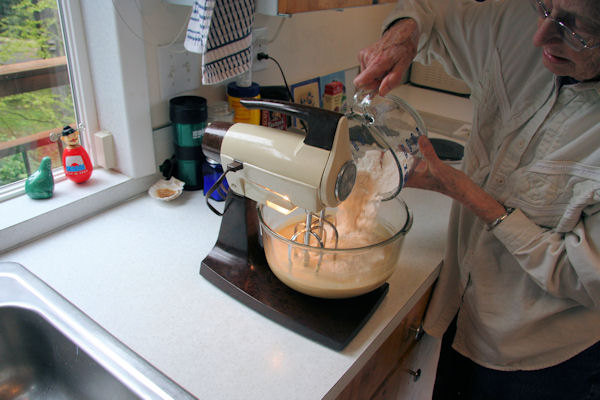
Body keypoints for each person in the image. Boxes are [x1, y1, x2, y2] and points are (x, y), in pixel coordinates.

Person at [354, 0, 600, 398]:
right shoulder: (516, 27)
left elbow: (582, 276)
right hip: (462, 311)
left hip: (542, 357)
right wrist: (402, 36)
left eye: (575, 28)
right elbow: (427, 12)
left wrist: (466, 192)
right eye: (544, 7)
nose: (540, 35)